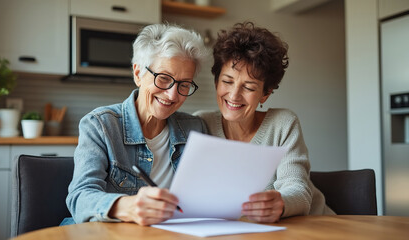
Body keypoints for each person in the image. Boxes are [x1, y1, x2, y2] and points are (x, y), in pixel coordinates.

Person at [65, 23, 209, 226]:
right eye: (164, 78)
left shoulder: (195, 129)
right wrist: (127, 207)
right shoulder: (100, 125)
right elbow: (79, 198)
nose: (172, 94)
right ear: (138, 73)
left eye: (184, 84)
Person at [195, 22, 335, 223]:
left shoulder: (283, 123)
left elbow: (299, 191)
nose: (234, 95)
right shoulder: (201, 124)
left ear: (265, 94)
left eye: (249, 87)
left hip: (316, 227)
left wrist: (280, 203)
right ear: (216, 82)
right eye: (227, 81)